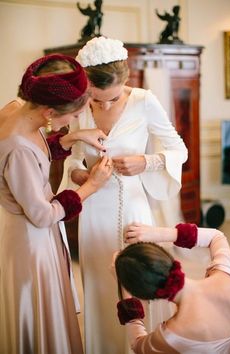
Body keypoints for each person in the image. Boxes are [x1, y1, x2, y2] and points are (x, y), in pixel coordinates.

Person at [59, 36, 188, 354]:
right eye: (96, 99)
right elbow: (74, 156)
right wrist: (79, 173)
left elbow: (178, 149)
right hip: (94, 213)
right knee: (102, 284)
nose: (101, 105)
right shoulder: (81, 105)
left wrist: (146, 161)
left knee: (137, 283)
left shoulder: (144, 101)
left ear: (125, 81)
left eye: (111, 99)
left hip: (134, 210)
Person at [0, 53, 113, 354]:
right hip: (30, 242)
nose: (75, 119)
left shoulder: (17, 109)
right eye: (74, 116)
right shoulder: (18, 149)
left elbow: (36, 151)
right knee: (40, 321)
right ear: (50, 112)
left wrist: (74, 137)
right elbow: (42, 214)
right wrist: (92, 186)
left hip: (30, 231)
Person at [115, 222, 230, 354]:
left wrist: (124, 289)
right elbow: (216, 236)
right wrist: (159, 233)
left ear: (144, 296)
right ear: (168, 259)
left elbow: (138, 345)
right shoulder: (226, 275)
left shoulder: (172, 336)